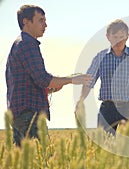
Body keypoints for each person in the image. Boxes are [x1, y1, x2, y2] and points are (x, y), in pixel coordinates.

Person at [5, 4, 93, 146]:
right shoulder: (27, 44)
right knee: (38, 159)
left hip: (21, 115)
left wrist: (51, 87)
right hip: (30, 116)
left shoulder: (19, 44)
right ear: (26, 22)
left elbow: (33, 82)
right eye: (40, 20)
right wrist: (71, 80)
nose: (45, 25)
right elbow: (43, 79)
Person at [78, 19, 129, 135]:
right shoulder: (100, 57)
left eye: (121, 36)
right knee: (103, 147)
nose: (118, 40)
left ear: (127, 36)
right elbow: (88, 82)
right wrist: (80, 101)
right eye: (115, 37)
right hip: (107, 109)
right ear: (108, 37)